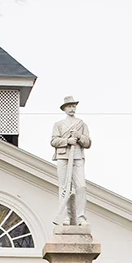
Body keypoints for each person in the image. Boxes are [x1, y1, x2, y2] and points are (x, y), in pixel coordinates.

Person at [51, 96, 92, 225]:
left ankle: (81, 217)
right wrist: (67, 141)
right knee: (64, 187)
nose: (72, 108)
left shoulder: (81, 124)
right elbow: (53, 141)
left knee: (81, 187)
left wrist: (79, 136)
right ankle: (65, 217)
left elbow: (88, 143)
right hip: (63, 157)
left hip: (77, 157)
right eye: (69, 106)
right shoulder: (58, 125)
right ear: (64, 109)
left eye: (73, 106)